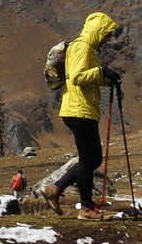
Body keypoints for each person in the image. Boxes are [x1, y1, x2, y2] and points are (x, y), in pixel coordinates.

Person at [43, 11, 121, 219]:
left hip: (80, 109)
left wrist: (107, 78)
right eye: (106, 35)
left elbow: (86, 77)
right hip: (79, 109)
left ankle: (56, 189)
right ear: (98, 31)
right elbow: (77, 77)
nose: (107, 39)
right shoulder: (82, 47)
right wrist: (102, 72)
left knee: (92, 158)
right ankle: (86, 208)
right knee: (90, 159)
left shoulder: (86, 48)